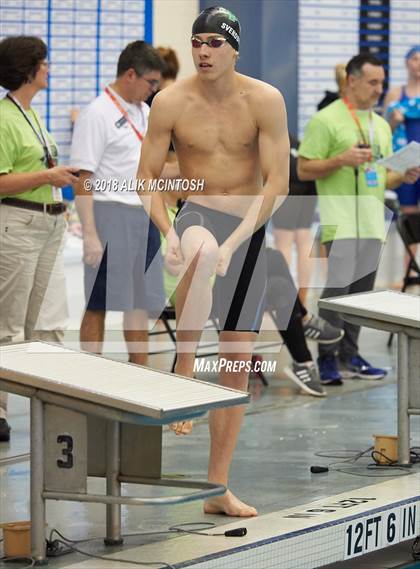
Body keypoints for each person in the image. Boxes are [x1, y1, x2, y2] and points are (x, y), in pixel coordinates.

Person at [137, 6, 289, 517]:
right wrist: (166, 230)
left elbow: (278, 184)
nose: (202, 50)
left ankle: (217, 488)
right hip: (195, 215)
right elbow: (147, 178)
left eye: (213, 43)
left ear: (234, 48)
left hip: (247, 228)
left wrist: (239, 240)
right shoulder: (170, 101)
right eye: (197, 41)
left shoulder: (264, 100)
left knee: (236, 363)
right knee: (200, 249)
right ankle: (183, 365)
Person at [298, 53, 420, 385]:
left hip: (371, 222)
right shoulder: (326, 120)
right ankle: (326, 359)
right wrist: (340, 159)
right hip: (338, 220)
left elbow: (379, 177)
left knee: (362, 297)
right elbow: (303, 168)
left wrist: (402, 176)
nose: (379, 89)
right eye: (373, 82)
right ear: (352, 81)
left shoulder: (380, 125)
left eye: (382, 82)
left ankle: (350, 355)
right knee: (337, 294)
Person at [71, 41, 177, 365]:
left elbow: (155, 170)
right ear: (131, 75)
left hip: (142, 213)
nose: (154, 90)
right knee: (99, 301)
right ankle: (90, 376)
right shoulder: (97, 114)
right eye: (151, 83)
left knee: (140, 302)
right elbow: (82, 178)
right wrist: (90, 233)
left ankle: (140, 373)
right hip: (108, 214)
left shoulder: (146, 113)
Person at [0, 36, 78, 442]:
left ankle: (36, 402)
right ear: (28, 68)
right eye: (43, 63)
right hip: (18, 225)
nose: (49, 68)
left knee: (38, 324)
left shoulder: (31, 115)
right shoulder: (4, 118)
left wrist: (61, 176)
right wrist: (49, 176)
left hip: (48, 224)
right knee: (8, 324)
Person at [383, 46, 420, 274]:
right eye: (415, 59)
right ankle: (409, 270)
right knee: (409, 218)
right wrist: (394, 121)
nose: (419, 64)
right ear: (407, 63)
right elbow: (382, 131)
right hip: (406, 163)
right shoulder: (395, 94)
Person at [271, 133, 317, 305]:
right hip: (305, 179)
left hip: (290, 179)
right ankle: (301, 299)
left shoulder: (272, 132)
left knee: (284, 241)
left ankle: (287, 299)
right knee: (303, 238)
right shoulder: (290, 137)